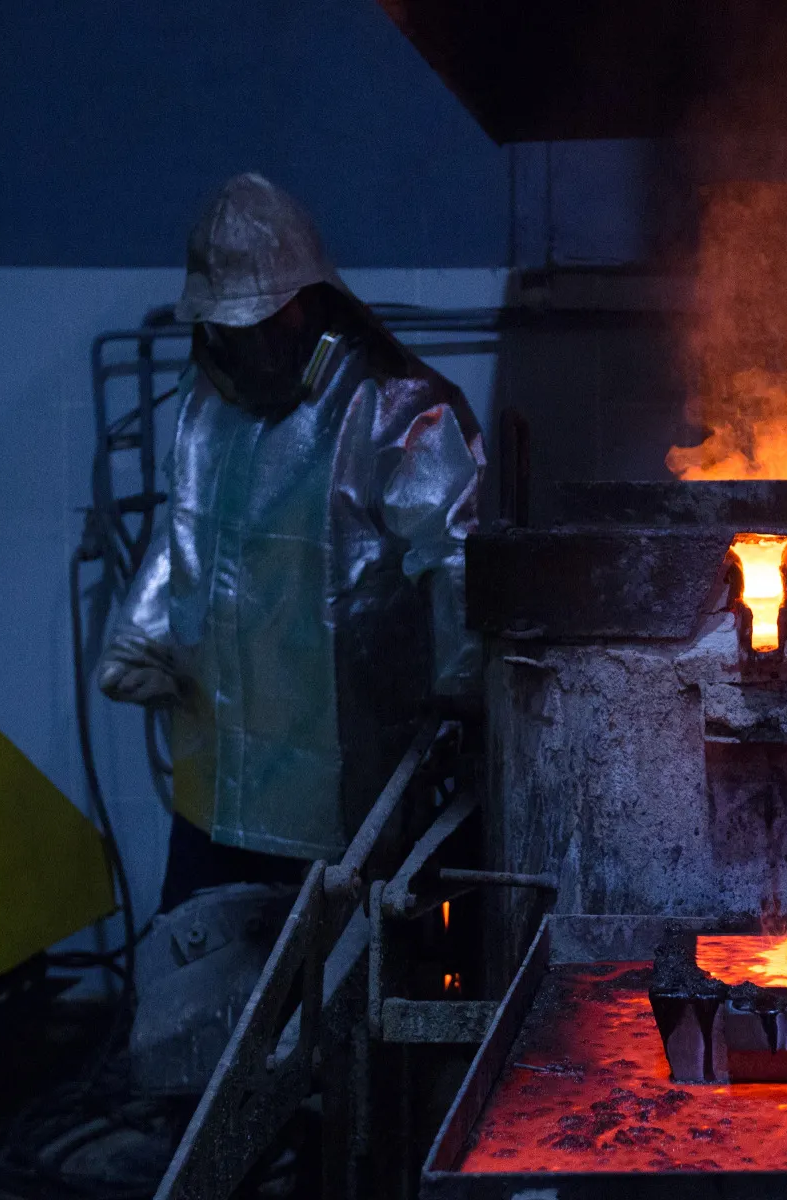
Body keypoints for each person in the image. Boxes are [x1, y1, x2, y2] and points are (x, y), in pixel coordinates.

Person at [99, 172, 483, 910]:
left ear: (305, 301)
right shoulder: (206, 400)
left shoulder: (399, 410)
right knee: (201, 995)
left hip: (345, 816)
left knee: (330, 1010)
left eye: (257, 324)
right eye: (224, 328)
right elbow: (185, 522)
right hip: (214, 797)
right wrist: (141, 633)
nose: (240, 345)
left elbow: (459, 564)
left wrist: (462, 708)